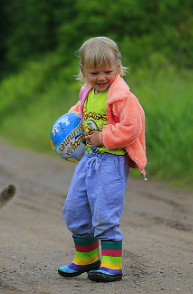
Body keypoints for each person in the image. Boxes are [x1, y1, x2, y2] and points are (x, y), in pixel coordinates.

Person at [57, 36, 147, 282]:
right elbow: (78, 111)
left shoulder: (123, 98)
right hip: (88, 161)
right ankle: (86, 258)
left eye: (107, 71)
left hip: (111, 163)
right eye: (94, 72)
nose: (101, 77)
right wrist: (66, 126)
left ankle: (111, 265)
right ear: (84, 71)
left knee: (105, 211)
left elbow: (132, 127)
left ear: (118, 67)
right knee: (74, 209)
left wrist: (103, 136)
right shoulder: (88, 93)